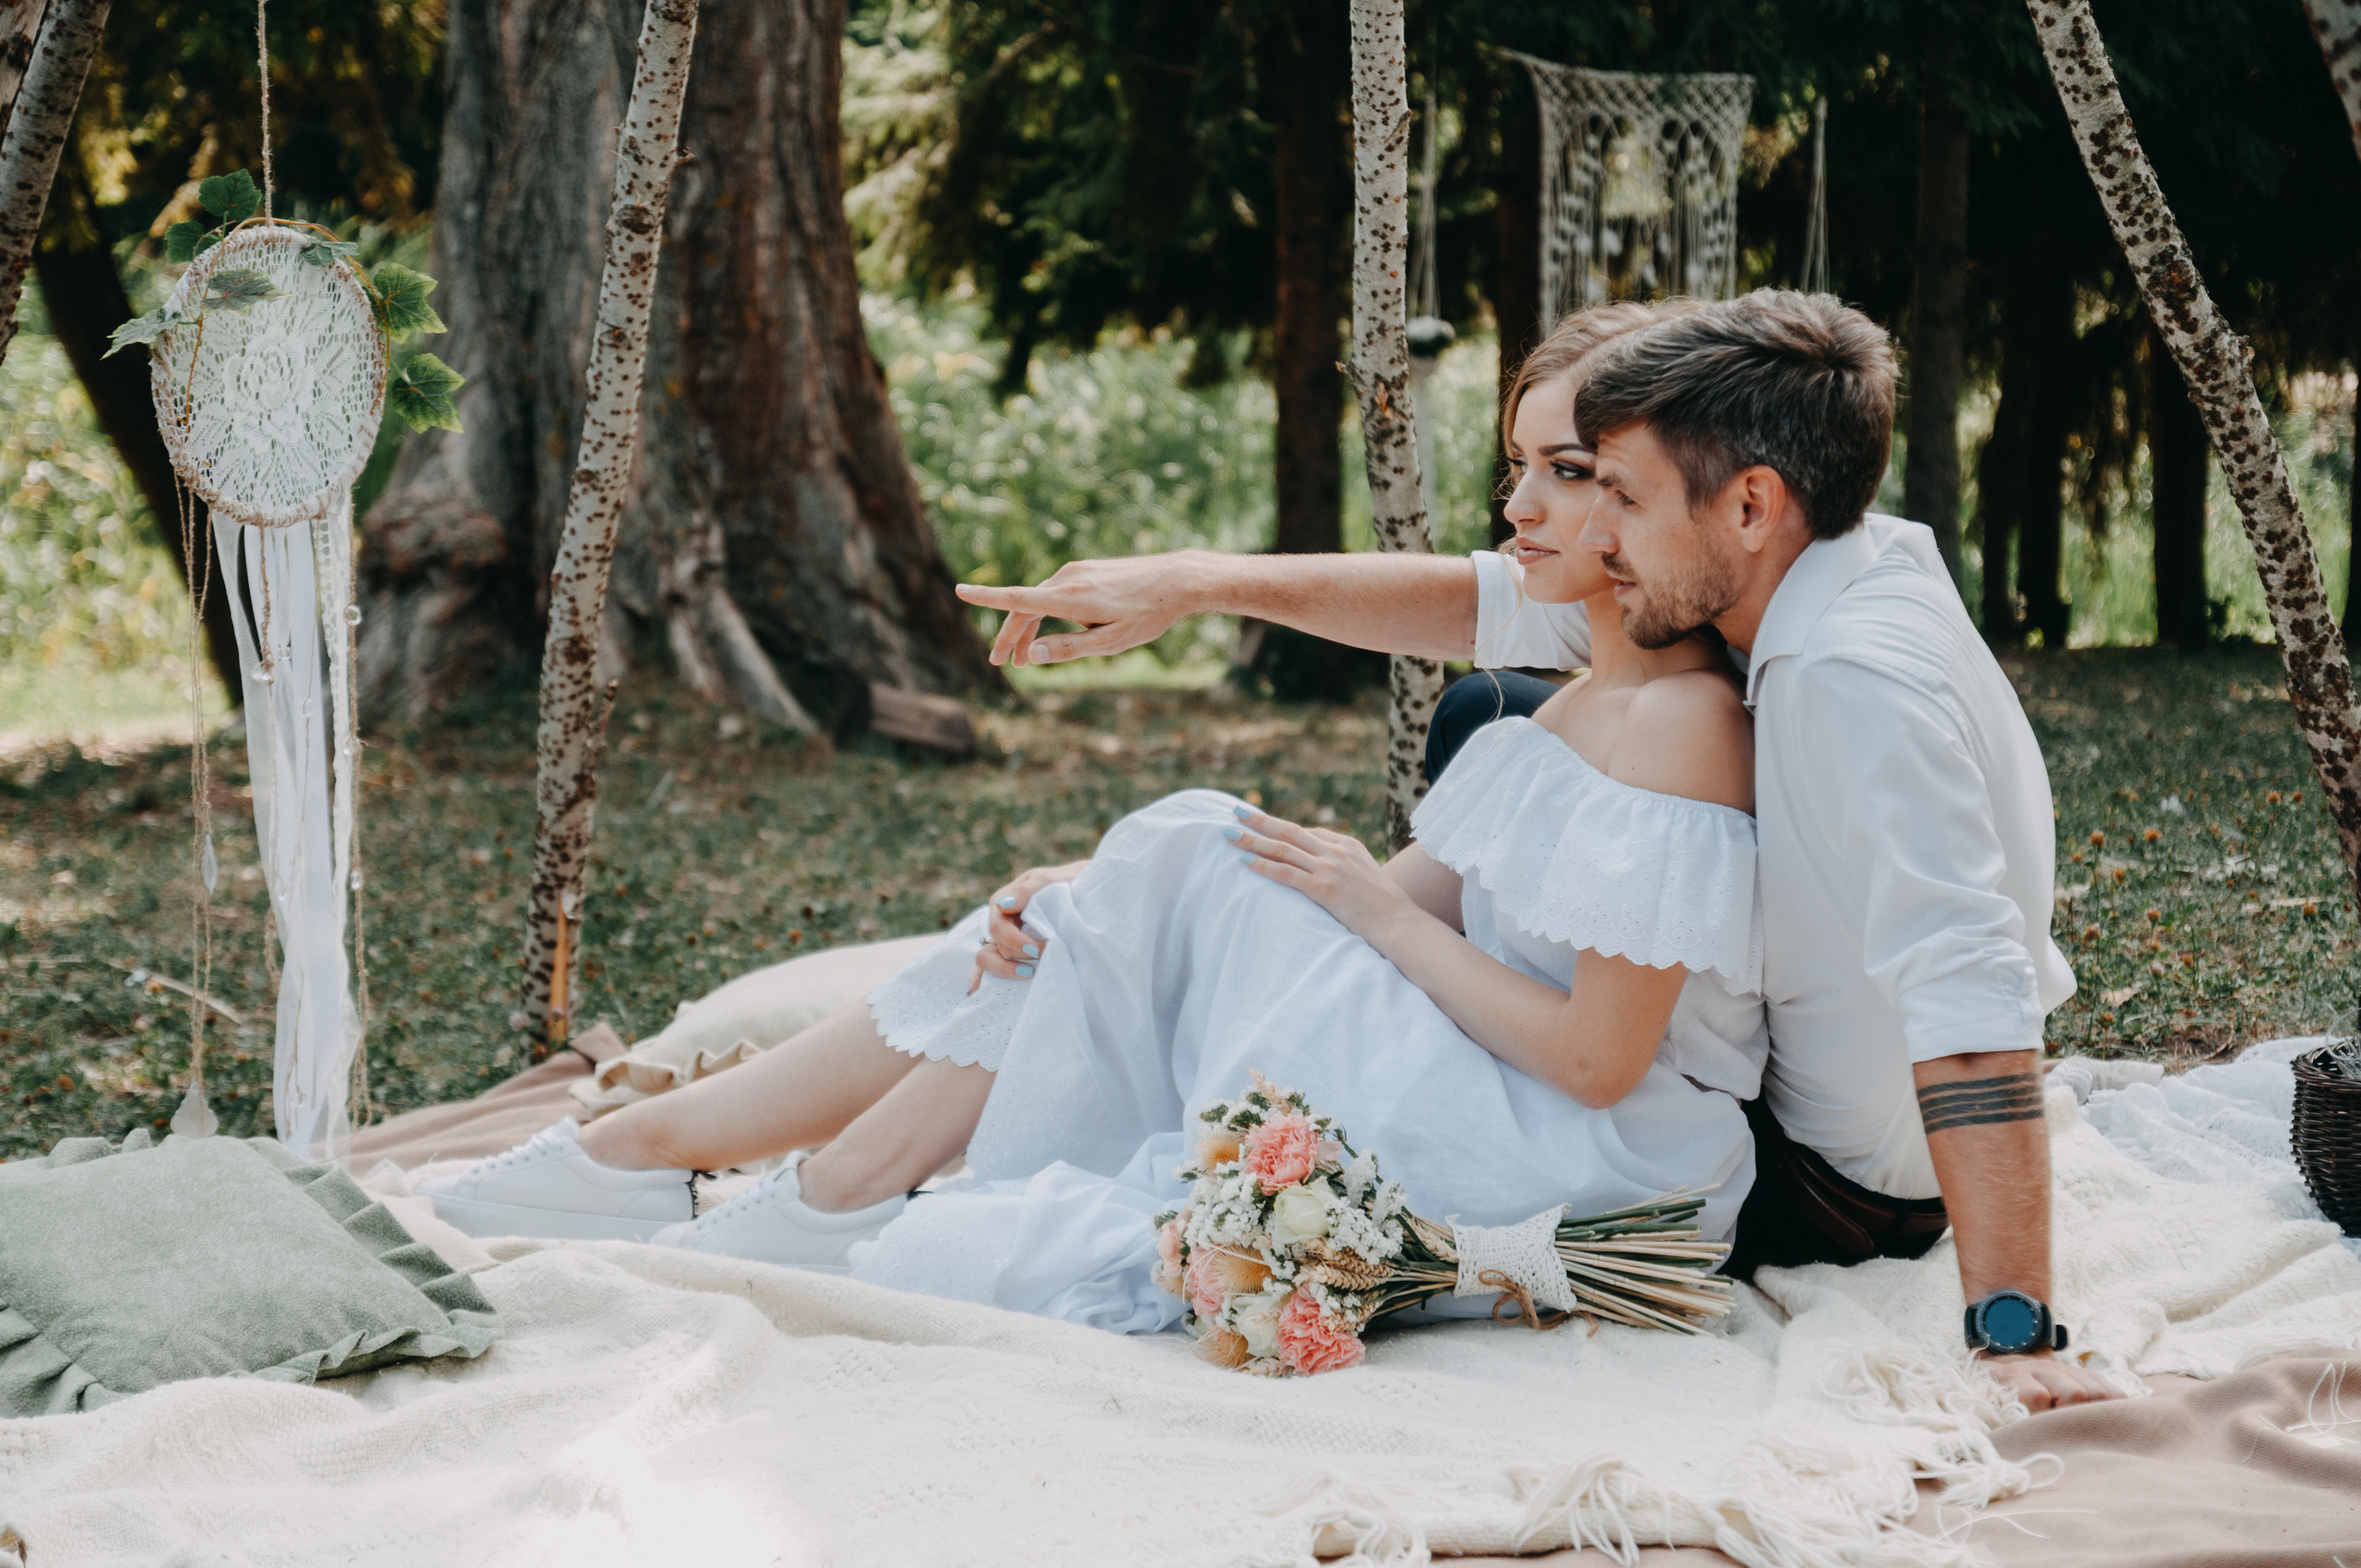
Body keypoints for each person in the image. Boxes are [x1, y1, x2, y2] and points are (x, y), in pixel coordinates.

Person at [421, 303, 1772, 1334]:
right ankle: (714, 1165)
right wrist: (1105, 895)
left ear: (1666, 493)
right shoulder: (1582, 698)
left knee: (1180, 850)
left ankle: (768, 1178)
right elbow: (1417, 897)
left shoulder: (1682, 725)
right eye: (1521, 464)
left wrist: (1333, 901)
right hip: (1475, 1062)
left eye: (1573, 470)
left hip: (1569, 1139)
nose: (1519, 505)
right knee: (1152, 865)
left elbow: (1595, 1060)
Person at [944, 291, 2118, 1412]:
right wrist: (1200, 587)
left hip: (1821, 1181)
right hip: (1745, 1079)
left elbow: (1971, 989)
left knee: (1420, 827)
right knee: (1474, 725)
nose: (1592, 535)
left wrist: (2010, 1326)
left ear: (1750, 502)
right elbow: (1473, 604)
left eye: (1619, 497)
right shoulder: (1804, 558)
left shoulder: (1848, 679)